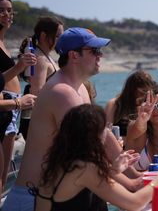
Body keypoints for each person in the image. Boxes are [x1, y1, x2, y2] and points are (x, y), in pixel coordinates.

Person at [2, 27, 126, 211]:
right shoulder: (62, 92)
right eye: (94, 51)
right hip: (33, 198)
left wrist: (133, 175)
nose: (100, 55)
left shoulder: (79, 87)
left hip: (51, 195)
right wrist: (122, 175)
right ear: (74, 56)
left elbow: (103, 133)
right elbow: (87, 147)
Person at [30, 104, 158, 211]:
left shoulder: (61, 161)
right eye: (105, 128)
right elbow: (134, 203)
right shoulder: (85, 168)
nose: (108, 132)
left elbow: (131, 185)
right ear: (93, 135)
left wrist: (113, 170)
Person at [0, 0, 37, 193]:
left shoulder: (2, 42)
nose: (7, 14)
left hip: (13, 107)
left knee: (3, 177)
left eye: (9, 10)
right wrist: (18, 103)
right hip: (7, 106)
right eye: (1, 10)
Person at [18, 16, 64, 139]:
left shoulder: (45, 56)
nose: (61, 40)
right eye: (58, 36)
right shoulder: (40, 59)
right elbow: (37, 92)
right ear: (43, 36)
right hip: (38, 121)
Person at [105, 69, 156, 148]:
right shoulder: (115, 104)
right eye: (141, 92)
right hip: (119, 148)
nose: (141, 96)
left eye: (146, 92)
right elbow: (107, 131)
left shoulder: (150, 106)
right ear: (131, 90)